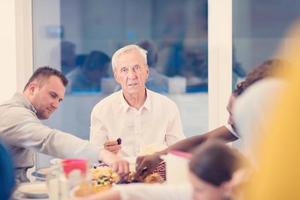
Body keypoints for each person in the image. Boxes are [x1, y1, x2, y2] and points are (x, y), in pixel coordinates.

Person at [135, 58, 286, 178]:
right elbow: (204, 140)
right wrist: (158, 156)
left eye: (236, 115)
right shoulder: (250, 120)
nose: (229, 122)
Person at [0, 67, 129, 182]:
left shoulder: (19, 112)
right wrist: (102, 154)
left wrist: (98, 152)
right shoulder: (14, 114)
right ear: (32, 89)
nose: (56, 105)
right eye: (52, 95)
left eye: (59, 100)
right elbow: (49, 139)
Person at [90, 44, 185, 157]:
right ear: (116, 76)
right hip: (118, 173)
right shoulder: (101, 110)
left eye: (137, 68)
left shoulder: (168, 107)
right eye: (124, 70)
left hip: (157, 173)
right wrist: (104, 153)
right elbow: (94, 156)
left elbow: (179, 152)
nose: (132, 75)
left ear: (147, 71)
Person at [73, 140, 244, 200]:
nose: (192, 194)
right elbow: (135, 194)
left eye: (198, 190)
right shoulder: (197, 194)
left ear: (226, 186)